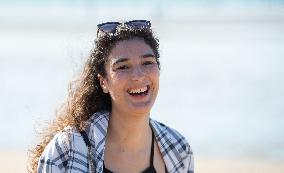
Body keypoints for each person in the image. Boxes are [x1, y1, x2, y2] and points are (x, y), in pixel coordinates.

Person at [29, 20, 194, 173]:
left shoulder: (178, 149)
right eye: (123, 67)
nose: (138, 75)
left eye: (147, 63)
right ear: (103, 82)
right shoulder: (67, 149)